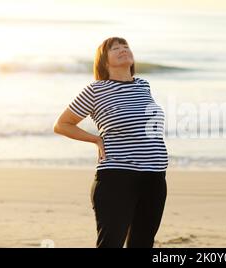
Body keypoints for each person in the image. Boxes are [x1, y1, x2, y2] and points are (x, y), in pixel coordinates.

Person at [53, 36, 168, 248]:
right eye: (115, 48)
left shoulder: (143, 85)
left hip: (155, 177)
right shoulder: (95, 90)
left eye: (126, 46)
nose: (123, 49)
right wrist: (95, 139)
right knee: (110, 244)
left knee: (142, 244)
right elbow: (62, 124)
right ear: (104, 61)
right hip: (117, 177)